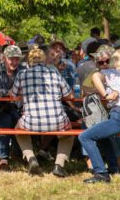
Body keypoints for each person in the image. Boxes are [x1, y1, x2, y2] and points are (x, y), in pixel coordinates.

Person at [79, 50, 120, 184]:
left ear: (114, 61)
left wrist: (106, 96)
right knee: (101, 134)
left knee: (84, 136)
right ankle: (113, 167)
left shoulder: (109, 73)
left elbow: (95, 76)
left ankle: (101, 173)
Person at [12, 48, 74, 177]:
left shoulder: (22, 74)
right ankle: (59, 165)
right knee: (68, 135)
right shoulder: (54, 73)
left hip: (31, 121)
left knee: (18, 130)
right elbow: (70, 96)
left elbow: (13, 95)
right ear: (45, 60)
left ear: (29, 60)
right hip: (57, 120)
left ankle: (31, 158)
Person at [0, 45, 26, 171]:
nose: (15, 62)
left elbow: (26, 90)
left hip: (16, 108)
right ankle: (4, 158)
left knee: (16, 118)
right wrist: (12, 92)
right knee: (6, 120)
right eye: (11, 59)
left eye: (17, 59)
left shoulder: (23, 69)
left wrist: (11, 92)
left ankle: (16, 153)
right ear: (4, 58)